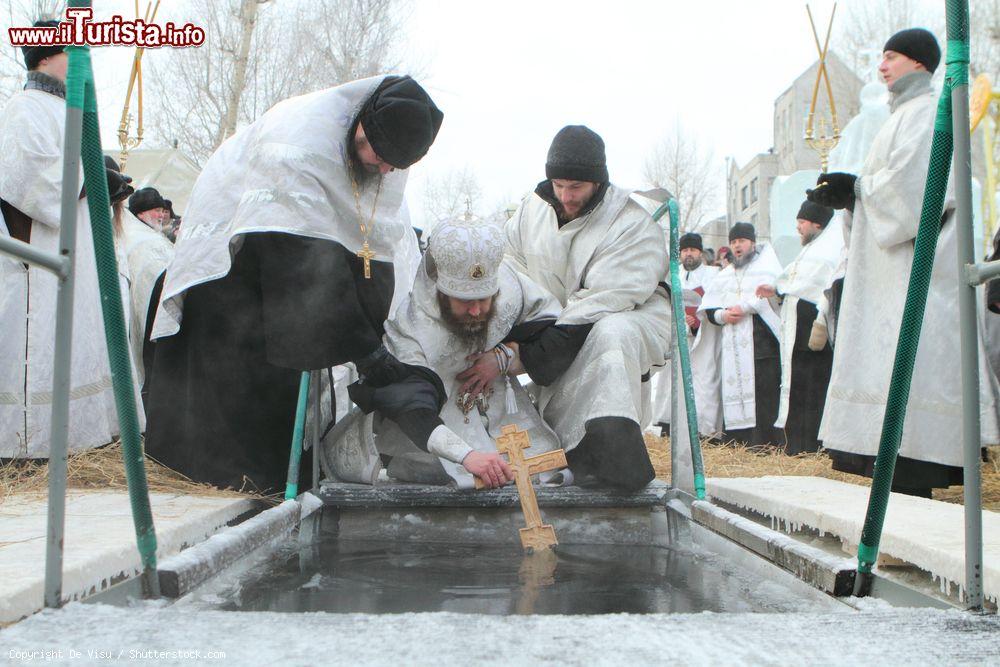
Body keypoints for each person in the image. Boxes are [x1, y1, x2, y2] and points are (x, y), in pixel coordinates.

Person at [144, 75, 443, 494]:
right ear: (364, 122)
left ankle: (268, 479)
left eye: (395, 164)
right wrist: (364, 350)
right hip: (234, 265)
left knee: (280, 383)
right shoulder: (298, 139)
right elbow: (294, 259)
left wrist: (375, 346)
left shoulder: (386, 159)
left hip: (284, 274)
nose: (385, 169)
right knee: (233, 379)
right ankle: (217, 483)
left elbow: (372, 252)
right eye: (379, 157)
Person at [808, 28, 1000, 496]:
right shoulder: (900, 117)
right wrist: (852, 193)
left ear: (918, 62)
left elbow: (919, 190)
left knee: (915, 375)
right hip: (891, 271)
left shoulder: (931, 112)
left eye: (890, 56)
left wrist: (855, 189)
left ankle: (914, 475)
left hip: (924, 273)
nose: (881, 66)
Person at [503, 125, 671, 491]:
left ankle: (616, 461)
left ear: (598, 182)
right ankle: (566, 458)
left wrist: (533, 354)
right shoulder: (531, 210)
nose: (565, 195)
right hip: (553, 320)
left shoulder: (630, 223)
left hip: (628, 316)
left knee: (609, 333)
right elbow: (511, 268)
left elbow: (604, 301)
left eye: (576, 187)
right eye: (559, 184)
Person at [346, 218, 564, 488]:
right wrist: (467, 456)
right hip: (438, 433)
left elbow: (555, 326)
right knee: (470, 480)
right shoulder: (412, 329)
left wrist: (505, 357)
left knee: (543, 471)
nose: (476, 312)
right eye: (464, 301)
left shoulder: (509, 289)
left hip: (503, 415)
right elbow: (411, 407)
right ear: (440, 290)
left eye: (484, 300)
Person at [0, 23, 124, 458]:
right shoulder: (25, 107)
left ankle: (75, 442)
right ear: (47, 56)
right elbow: (26, 179)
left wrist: (107, 184)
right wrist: (93, 177)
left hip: (75, 250)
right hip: (43, 258)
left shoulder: (68, 111)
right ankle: (29, 449)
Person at [756, 201, 841, 454]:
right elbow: (791, 281)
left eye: (802, 222)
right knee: (798, 386)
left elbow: (819, 287)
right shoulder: (809, 250)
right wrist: (776, 288)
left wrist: (784, 290)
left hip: (812, 332)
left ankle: (811, 446)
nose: (798, 227)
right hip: (796, 333)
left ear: (817, 223)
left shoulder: (827, 251)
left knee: (813, 386)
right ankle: (795, 445)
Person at [699, 223, 785, 448]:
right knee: (732, 390)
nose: (737, 246)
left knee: (763, 394)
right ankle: (738, 443)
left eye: (742, 241)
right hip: (731, 347)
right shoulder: (724, 275)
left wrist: (747, 307)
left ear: (753, 244)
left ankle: (765, 443)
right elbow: (708, 310)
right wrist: (722, 315)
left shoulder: (766, 268)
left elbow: (776, 297)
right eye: (734, 242)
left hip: (762, 346)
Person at [651, 232, 722, 438]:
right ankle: (670, 425)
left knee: (703, 381)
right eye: (684, 250)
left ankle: (703, 430)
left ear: (700, 252)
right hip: (676, 337)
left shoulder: (713, 275)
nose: (688, 254)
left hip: (703, 339)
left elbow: (714, 302)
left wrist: (697, 322)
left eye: (692, 250)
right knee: (672, 381)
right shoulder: (673, 275)